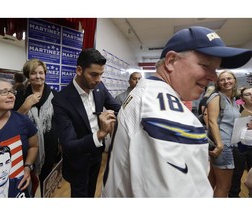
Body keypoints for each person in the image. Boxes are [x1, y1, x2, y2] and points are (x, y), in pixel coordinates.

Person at [102, 26, 252, 197]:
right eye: (205, 65)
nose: (213, 77)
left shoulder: (146, 92)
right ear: (171, 61)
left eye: (215, 69)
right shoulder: (168, 114)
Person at [52, 48, 121, 197]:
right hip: (77, 161)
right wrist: (100, 133)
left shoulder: (99, 87)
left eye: (101, 74)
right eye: (93, 74)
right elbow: (69, 145)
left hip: (97, 155)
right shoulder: (61, 100)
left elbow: (118, 108)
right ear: (79, 70)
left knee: (91, 193)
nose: (98, 80)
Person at [14, 59, 61, 197]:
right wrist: (26, 105)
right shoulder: (21, 95)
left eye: (41, 73)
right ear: (28, 76)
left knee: (46, 180)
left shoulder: (55, 95)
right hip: (28, 147)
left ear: (45, 74)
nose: (38, 76)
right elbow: (13, 121)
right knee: (28, 182)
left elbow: (59, 121)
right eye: (33, 73)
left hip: (50, 146)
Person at [206, 71, 240, 197]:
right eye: (222, 80)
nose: (226, 82)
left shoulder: (234, 100)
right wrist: (219, 145)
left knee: (212, 183)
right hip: (223, 145)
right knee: (224, 187)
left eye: (229, 78)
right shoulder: (216, 97)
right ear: (218, 83)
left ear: (234, 80)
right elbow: (212, 121)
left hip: (230, 144)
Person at [228, 87, 252, 197]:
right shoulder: (237, 108)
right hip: (240, 145)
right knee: (237, 174)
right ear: (242, 98)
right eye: (248, 94)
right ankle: (233, 196)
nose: (251, 96)